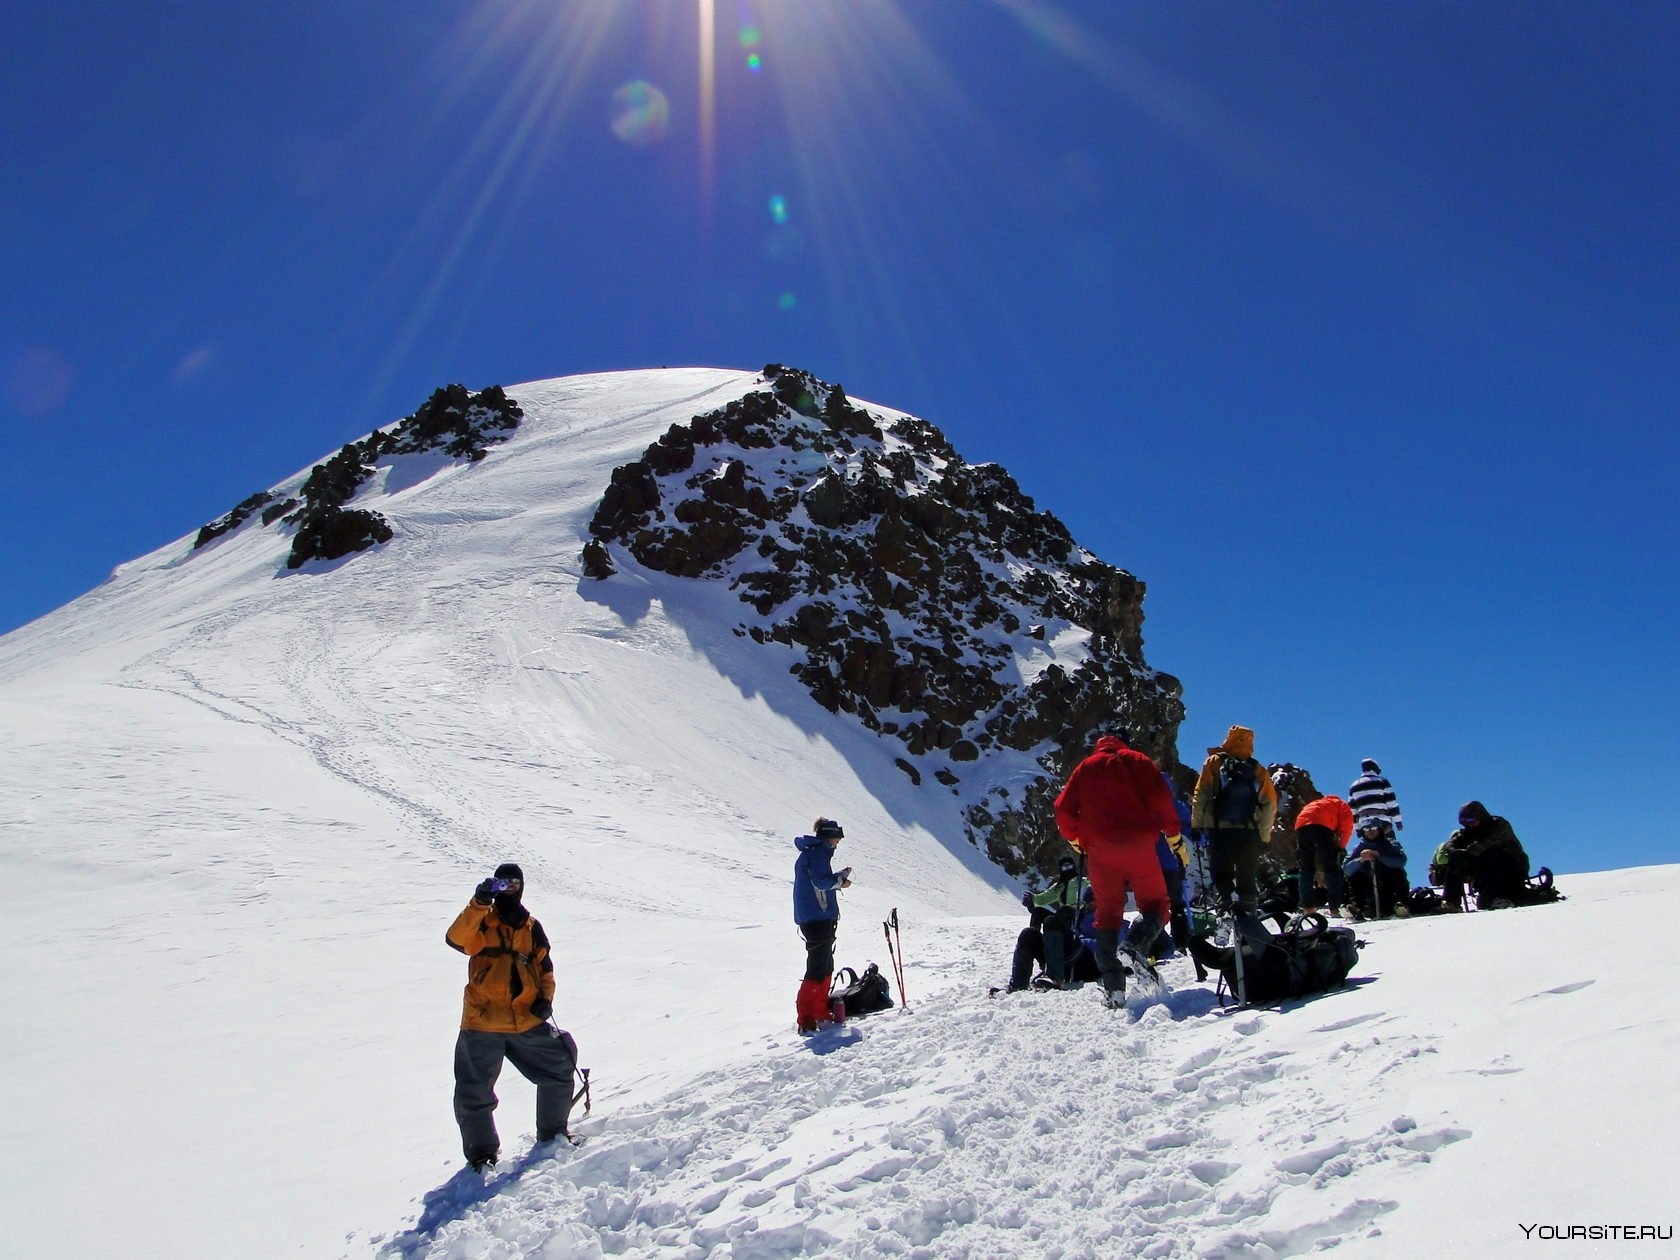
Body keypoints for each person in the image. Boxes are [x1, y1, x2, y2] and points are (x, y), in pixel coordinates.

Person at [446, 863, 577, 1171]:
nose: (509, 889)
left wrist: (545, 1000)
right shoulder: (482, 921)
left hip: (525, 1020)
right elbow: (457, 940)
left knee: (561, 1062)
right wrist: (479, 902)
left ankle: (552, 1134)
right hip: (483, 1021)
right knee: (473, 1091)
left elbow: (545, 968)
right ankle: (481, 1156)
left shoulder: (531, 926)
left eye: (514, 883)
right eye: (502, 884)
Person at [1053, 730, 1184, 1006]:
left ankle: (1114, 988)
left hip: (1100, 852)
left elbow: (1062, 809)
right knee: (1156, 904)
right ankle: (1135, 945)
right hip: (1138, 845)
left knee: (1107, 914)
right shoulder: (1137, 761)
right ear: (1123, 744)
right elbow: (1162, 800)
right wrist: (1173, 835)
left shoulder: (1084, 768)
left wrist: (1076, 838)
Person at [1191, 726, 1279, 906]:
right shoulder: (1257, 769)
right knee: (1246, 878)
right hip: (1249, 832)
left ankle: (1225, 912)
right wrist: (1264, 836)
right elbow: (1270, 803)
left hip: (1219, 830)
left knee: (1222, 876)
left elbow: (1201, 794)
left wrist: (1196, 824)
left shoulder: (1214, 762)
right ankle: (1249, 915)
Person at [793, 817, 853, 1034]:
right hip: (816, 917)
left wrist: (837, 877)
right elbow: (821, 883)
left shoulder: (814, 853)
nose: (838, 842)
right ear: (830, 837)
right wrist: (840, 882)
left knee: (824, 965)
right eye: (837, 838)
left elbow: (819, 881)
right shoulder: (818, 854)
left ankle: (817, 1010)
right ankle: (807, 1016)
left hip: (816, 916)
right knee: (818, 967)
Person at [1007, 855, 1090, 991]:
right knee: (1037, 917)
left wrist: (1083, 902)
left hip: (1075, 922)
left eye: (1069, 866)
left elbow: (1096, 893)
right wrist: (1032, 899)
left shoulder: (1084, 883)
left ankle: (1055, 975)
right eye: (1064, 867)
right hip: (1059, 922)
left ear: (1074, 867)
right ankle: (1019, 982)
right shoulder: (1059, 887)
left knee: (1063, 912)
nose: (1067, 869)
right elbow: (1043, 898)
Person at [1431, 801, 1530, 910]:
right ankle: (1451, 902)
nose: (1469, 824)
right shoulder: (1468, 832)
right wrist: (1452, 849)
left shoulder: (1498, 824)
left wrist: (1468, 852)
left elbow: (1487, 842)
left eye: (1471, 820)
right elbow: (1454, 842)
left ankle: (1499, 897)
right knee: (1456, 857)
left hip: (1511, 868)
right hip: (1486, 875)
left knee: (1490, 853)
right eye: (1464, 822)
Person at [1293, 794, 1354, 912]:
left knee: (1306, 869)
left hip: (1301, 826)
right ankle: (1334, 907)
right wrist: (1341, 847)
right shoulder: (1342, 804)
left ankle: (1307, 906)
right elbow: (1347, 827)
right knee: (1331, 868)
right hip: (1323, 826)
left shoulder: (1317, 803)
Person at [1341, 819, 1410, 920]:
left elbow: (1400, 862)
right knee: (1355, 876)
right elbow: (1346, 869)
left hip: (1387, 885)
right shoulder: (1359, 847)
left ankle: (1400, 904)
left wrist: (1380, 857)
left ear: (1380, 830)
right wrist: (1361, 860)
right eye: (1366, 829)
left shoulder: (1390, 843)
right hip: (1368, 888)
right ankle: (1356, 907)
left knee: (1396, 872)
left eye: (1374, 828)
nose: (1370, 832)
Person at [1348, 759, 1404, 832]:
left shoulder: (1353, 786)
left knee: (1368, 842)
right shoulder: (1382, 781)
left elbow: (1352, 810)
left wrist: (1357, 829)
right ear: (1374, 769)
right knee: (1389, 842)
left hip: (1364, 824)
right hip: (1382, 821)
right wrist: (1398, 822)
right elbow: (1391, 803)